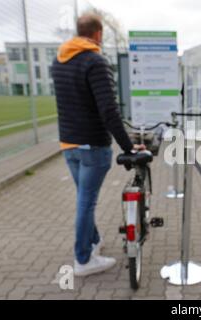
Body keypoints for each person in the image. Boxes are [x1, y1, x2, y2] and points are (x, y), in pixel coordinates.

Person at [52, 14, 145, 277]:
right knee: (86, 202)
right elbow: (108, 110)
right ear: (98, 34)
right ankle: (83, 259)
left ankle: (92, 243)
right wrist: (127, 146)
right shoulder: (95, 61)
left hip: (68, 143)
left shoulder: (59, 61)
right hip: (93, 144)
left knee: (83, 197)